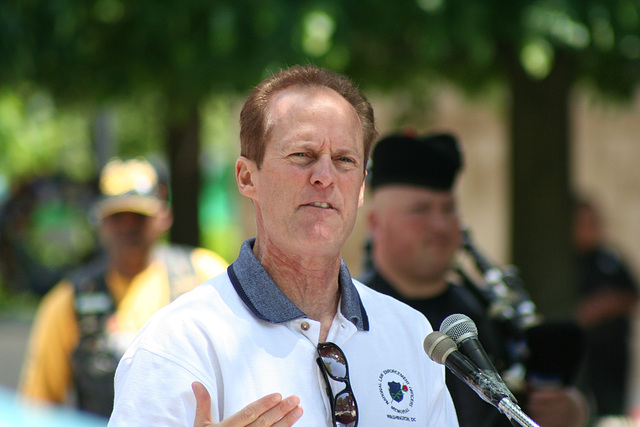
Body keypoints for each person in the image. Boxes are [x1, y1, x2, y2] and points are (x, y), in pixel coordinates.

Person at [108, 65, 458, 426]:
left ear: (361, 188)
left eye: (344, 160)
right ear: (247, 177)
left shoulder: (413, 337)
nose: (324, 176)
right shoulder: (180, 344)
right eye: (302, 155)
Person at [360, 132, 588, 427]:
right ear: (375, 223)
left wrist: (571, 410)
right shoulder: (352, 315)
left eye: (448, 208)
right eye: (420, 210)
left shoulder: (487, 317)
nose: (441, 225)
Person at [18, 157, 229, 418]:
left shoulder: (203, 276)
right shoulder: (69, 300)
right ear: (99, 221)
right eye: (117, 216)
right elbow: (37, 409)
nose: (128, 226)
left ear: (164, 216)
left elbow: (242, 365)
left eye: (139, 216)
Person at [572, 198, 639, 417]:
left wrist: (606, 305)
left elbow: (632, 294)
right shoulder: (566, 262)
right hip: (581, 352)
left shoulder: (609, 259)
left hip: (612, 350)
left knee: (613, 409)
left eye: (593, 222)